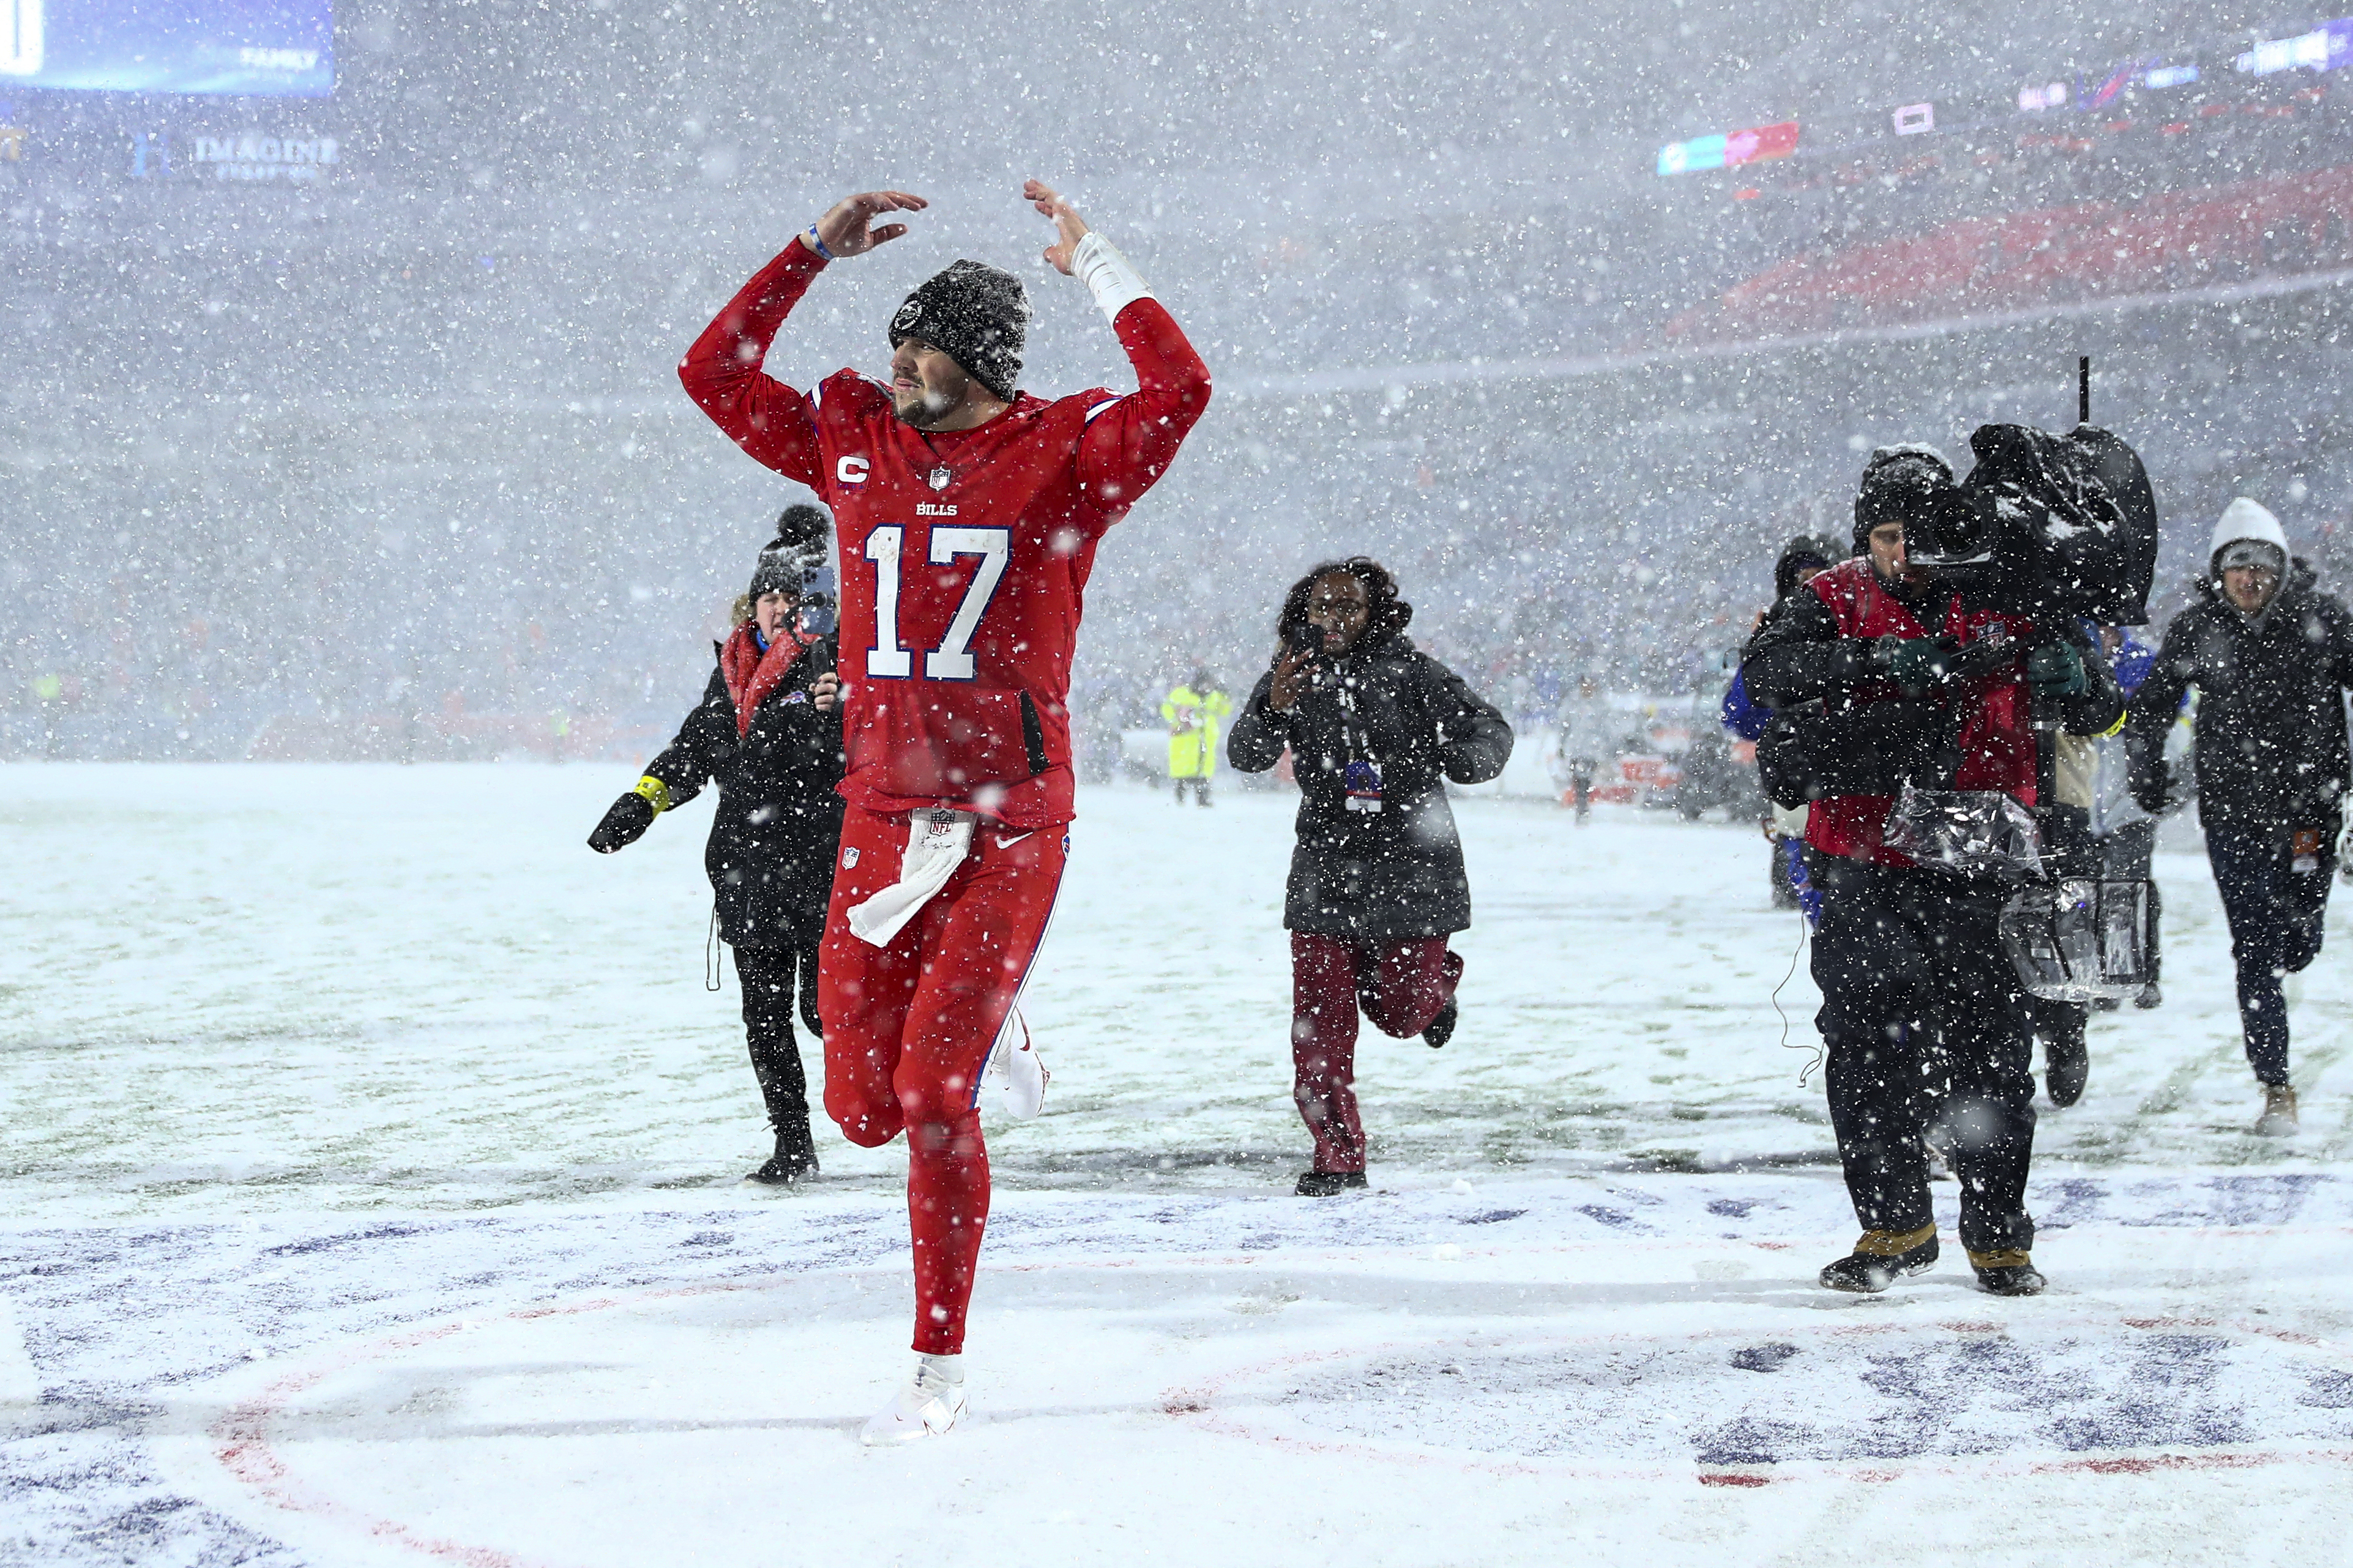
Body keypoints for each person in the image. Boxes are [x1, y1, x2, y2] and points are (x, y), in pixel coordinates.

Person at [678, 180, 1209, 1443]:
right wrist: (807, 251)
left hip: (1007, 826)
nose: (894, 359)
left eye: (917, 342)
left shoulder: (1062, 455)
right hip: (878, 819)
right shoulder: (854, 436)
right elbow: (712, 373)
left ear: (976, 360)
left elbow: (1178, 392)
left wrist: (1104, 267)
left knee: (928, 1095)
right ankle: (990, 1019)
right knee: (857, 1110)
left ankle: (937, 1359)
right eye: (894, 341)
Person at [1745, 445, 2124, 1299]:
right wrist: (1872, 663)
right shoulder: (1831, 596)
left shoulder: (2006, 589)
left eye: (1917, 534)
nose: (1903, 554)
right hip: (1861, 859)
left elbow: (2100, 706)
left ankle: (1998, 1238)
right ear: (1863, 538)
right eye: (1885, 536)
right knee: (1867, 1040)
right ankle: (1895, 1224)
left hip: (1981, 856)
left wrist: (2078, 682)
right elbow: (1764, 672)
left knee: (1991, 1049)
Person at [1226, 558, 1513, 1195]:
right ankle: (1338, 1155)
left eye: (1347, 606)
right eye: (1321, 606)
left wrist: (1460, 759)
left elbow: (1489, 730)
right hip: (1324, 870)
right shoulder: (1289, 677)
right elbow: (1245, 754)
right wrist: (1272, 709)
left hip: (1414, 866)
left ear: (1371, 613)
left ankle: (1437, 986)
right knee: (1318, 1022)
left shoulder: (1414, 673)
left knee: (1402, 1013)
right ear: (1303, 613)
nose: (1333, 618)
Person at [587, 510, 844, 1185]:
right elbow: (694, 751)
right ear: (751, 602)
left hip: (821, 867)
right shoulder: (731, 670)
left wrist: (841, 710)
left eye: (792, 597)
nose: (778, 607)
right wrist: (642, 800)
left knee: (824, 1014)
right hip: (747, 872)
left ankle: (888, 1100)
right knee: (763, 1020)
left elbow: (869, 743)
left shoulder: (835, 664)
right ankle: (794, 1148)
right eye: (768, 595)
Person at [2125, 498, 2353, 1138]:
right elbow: (2150, 707)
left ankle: (2298, 933)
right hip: (2230, 814)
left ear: (2280, 570)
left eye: (2259, 567)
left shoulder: (2320, 621)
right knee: (2252, 947)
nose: (2248, 579)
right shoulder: (2197, 629)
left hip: (2309, 814)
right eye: (2236, 568)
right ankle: (2275, 1083)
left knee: (2297, 938)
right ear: (2218, 574)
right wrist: (2148, 776)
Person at [1723, 535, 1843, 911]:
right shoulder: (1778, 640)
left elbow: (1740, 716)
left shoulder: (1784, 636)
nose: (1807, 588)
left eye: (1816, 576)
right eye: (1802, 578)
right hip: (1808, 797)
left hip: (1844, 796)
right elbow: (1740, 714)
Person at [1161, 669, 1232, 806]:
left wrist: (1226, 696)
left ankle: (1202, 800)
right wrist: (1178, 720)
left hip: (1206, 739)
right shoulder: (1182, 694)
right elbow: (1167, 708)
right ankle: (1180, 799)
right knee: (1182, 771)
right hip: (1185, 739)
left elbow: (1225, 710)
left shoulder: (1215, 696)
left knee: (1204, 773)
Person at [1552, 674, 1609, 822]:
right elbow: (1564, 725)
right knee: (1577, 778)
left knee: (1587, 779)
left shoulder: (1600, 705)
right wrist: (1562, 745)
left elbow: (1606, 728)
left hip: (1593, 750)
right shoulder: (1572, 703)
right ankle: (1581, 805)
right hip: (1575, 748)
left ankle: (1583, 805)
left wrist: (1605, 748)